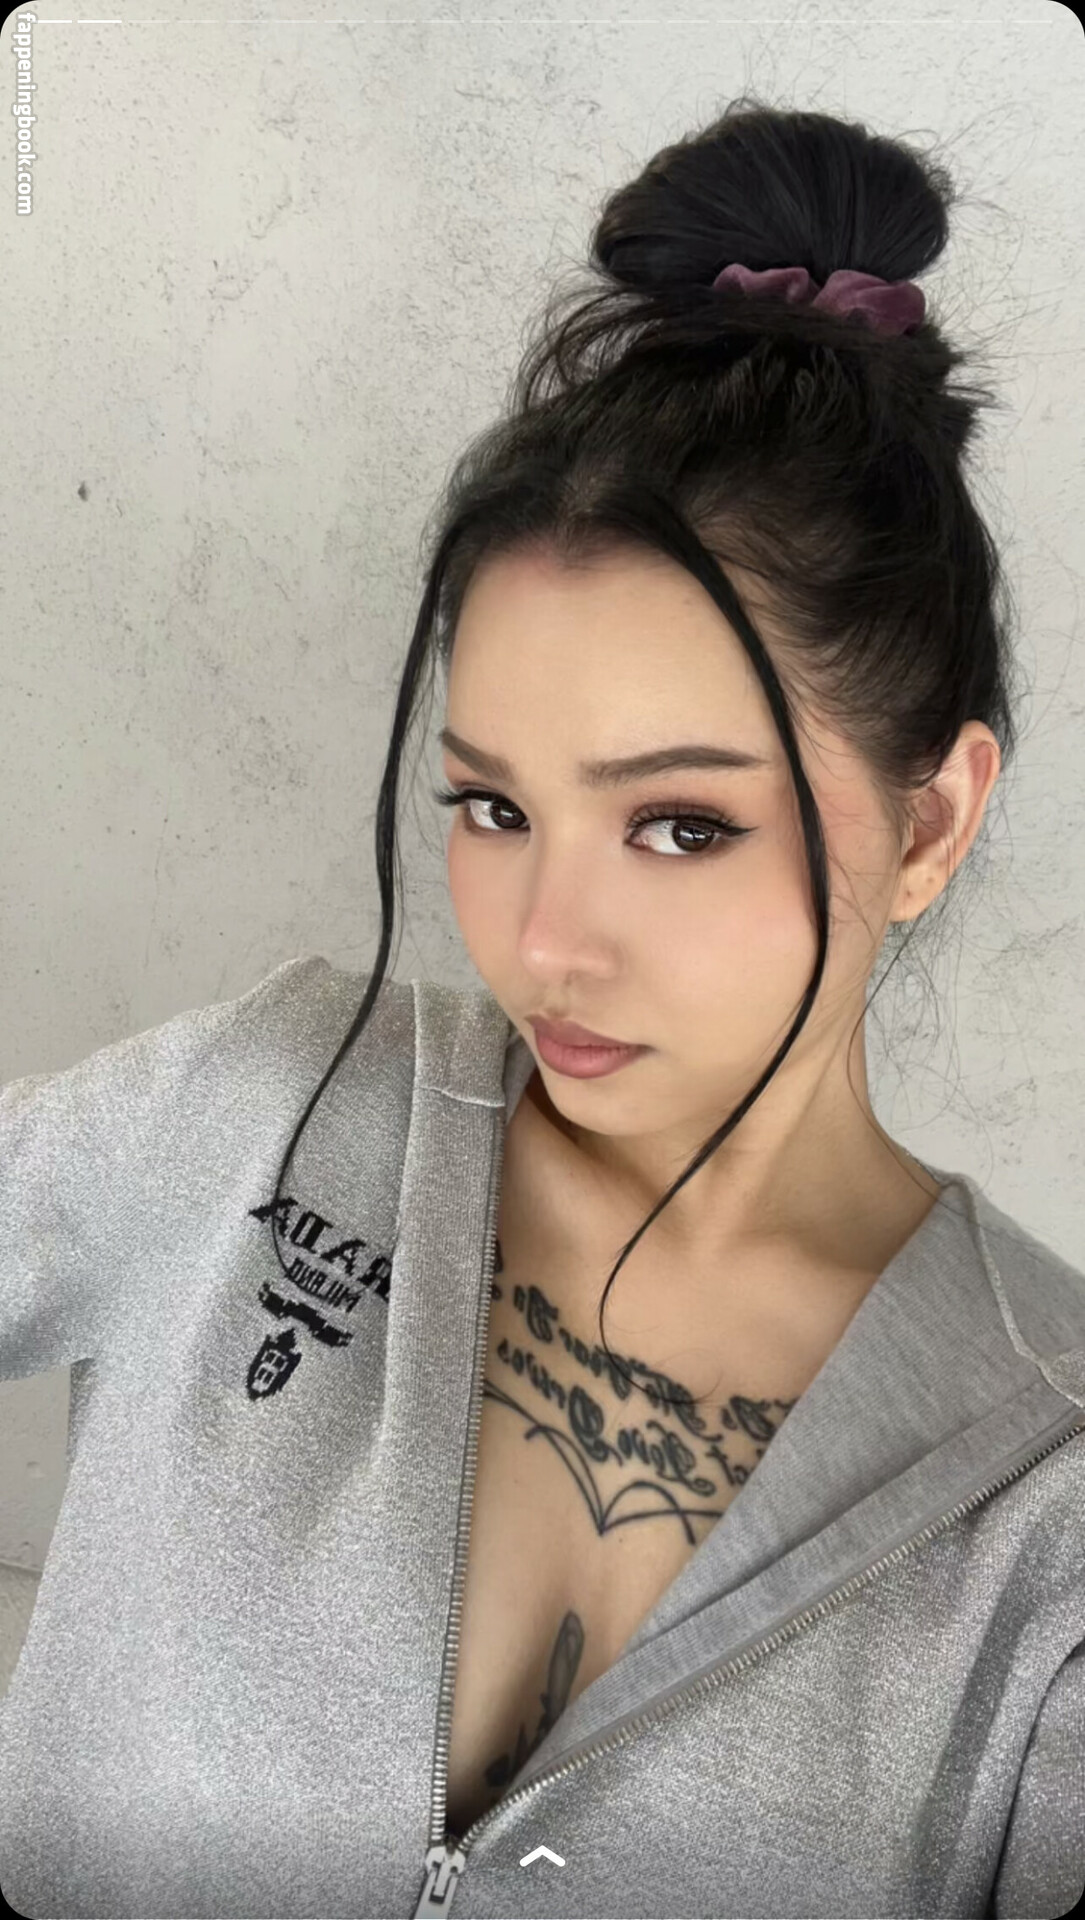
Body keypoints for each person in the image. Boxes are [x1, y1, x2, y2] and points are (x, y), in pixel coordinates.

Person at [2, 94, 1084, 1920]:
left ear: (928, 822)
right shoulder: (266, 1110)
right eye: (492, 807)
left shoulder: (1042, 1507)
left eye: (679, 825)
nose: (542, 943)